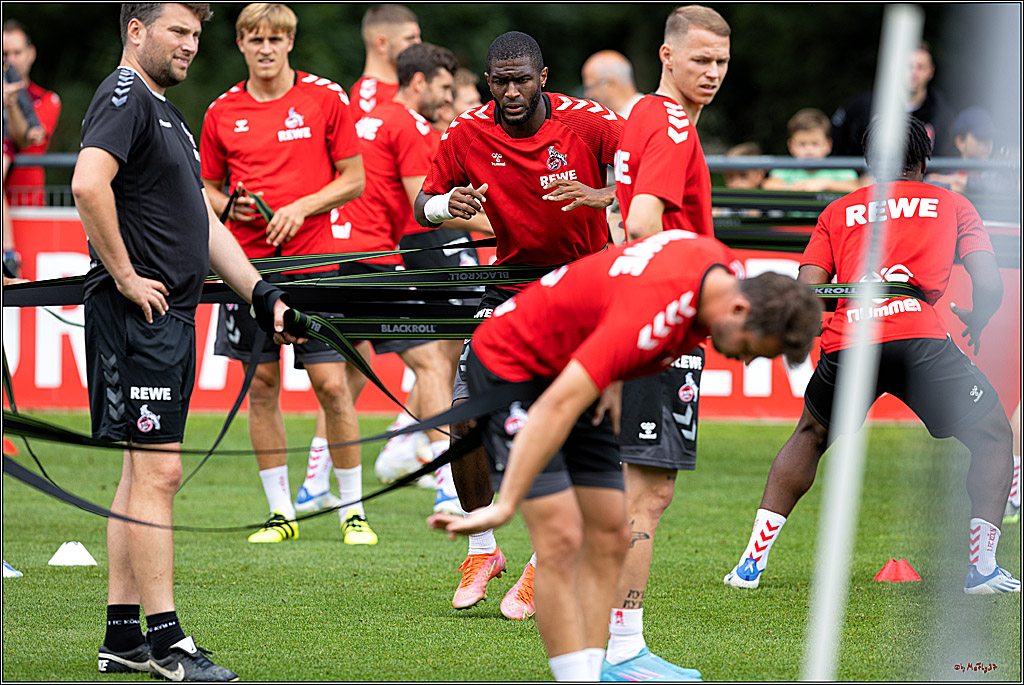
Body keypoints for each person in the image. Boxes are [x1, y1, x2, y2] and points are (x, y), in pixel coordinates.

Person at [429, 232, 822, 682]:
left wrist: (613, 377)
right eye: (753, 350)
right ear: (740, 311)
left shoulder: (718, 271)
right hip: (512, 362)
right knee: (559, 539)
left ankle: (615, 660)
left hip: (577, 362)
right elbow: (556, 405)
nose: (746, 363)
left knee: (612, 533)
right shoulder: (656, 312)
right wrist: (504, 504)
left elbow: (611, 291)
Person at [73, 4, 304, 680]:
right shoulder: (125, 93)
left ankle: (122, 635)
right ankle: (169, 640)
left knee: (139, 475)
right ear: (136, 31)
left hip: (170, 316)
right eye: (178, 31)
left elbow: (201, 225)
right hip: (139, 315)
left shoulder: (166, 112)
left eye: (198, 35)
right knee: (159, 472)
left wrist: (262, 292)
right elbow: (88, 183)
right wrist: (123, 274)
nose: (190, 45)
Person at [723, 116, 1021, 596]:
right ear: (924, 158)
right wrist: (979, 318)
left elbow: (808, 292)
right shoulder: (954, 204)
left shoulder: (838, 210)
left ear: (869, 162)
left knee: (810, 435)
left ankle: (748, 568)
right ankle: (982, 570)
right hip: (919, 335)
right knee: (993, 436)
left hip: (850, 337)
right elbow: (989, 284)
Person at [414, 30, 624, 620]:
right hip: (509, 285)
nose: (510, 91)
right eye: (499, 80)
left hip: (586, 282)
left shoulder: (591, 122)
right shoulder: (467, 131)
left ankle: (541, 561)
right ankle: (483, 549)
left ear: (543, 78)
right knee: (468, 414)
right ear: (487, 81)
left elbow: (652, 182)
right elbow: (422, 203)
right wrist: (444, 208)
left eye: (521, 80)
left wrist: (598, 193)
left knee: (564, 422)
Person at [198, 3, 375, 545]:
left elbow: (354, 179)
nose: (266, 48)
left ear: (291, 42)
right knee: (262, 385)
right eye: (256, 39)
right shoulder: (221, 111)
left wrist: (303, 207)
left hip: (317, 266)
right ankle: (281, 513)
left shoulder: (324, 97)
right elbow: (203, 186)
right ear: (241, 44)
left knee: (331, 387)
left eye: (276, 38)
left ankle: (352, 511)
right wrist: (230, 206)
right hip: (246, 270)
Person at [603, 6, 730, 680]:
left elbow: (620, 212)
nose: (710, 74)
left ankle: (607, 639)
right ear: (666, 55)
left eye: (720, 63)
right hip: (660, 332)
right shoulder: (673, 124)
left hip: (648, 328)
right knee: (646, 494)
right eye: (700, 60)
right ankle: (621, 651)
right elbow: (644, 220)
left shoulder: (646, 118)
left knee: (641, 490)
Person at [327, 41, 473, 518]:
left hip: (340, 255)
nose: (449, 99)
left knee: (345, 377)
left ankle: (313, 483)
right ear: (418, 83)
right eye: (444, 88)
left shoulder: (375, 116)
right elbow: (428, 210)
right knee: (432, 364)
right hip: (371, 262)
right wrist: (509, 224)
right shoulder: (410, 125)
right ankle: (448, 480)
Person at [831, 41, 955, 158]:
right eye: (908, 66)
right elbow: (838, 145)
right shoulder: (865, 106)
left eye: (920, 67)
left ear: (931, 71)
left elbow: (949, 155)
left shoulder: (941, 112)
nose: (914, 73)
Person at [2, 20, 61, 207]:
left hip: (28, 205)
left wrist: (10, 103)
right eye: (4, 54)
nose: (10, 60)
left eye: (17, 53)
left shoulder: (47, 99)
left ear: (31, 54)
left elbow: (23, 140)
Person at [761, 108, 862, 193]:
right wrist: (792, 187)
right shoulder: (787, 168)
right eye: (802, 144)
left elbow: (856, 188)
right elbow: (768, 184)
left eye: (815, 144)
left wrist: (825, 184)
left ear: (828, 145)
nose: (809, 149)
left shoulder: (838, 168)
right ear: (791, 146)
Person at [350, 4, 421, 121]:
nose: (419, 45)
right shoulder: (368, 97)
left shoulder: (414, 87)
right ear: (381, 44)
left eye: (418, 37)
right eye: (410, 39)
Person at [925, 106, 1016, 197]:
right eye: (981, 137)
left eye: (991, 138)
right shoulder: (943, 176)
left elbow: (1006, 186)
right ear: (960, 142)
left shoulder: (998, 175)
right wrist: (951, 186)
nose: (988, 143)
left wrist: (961, 182)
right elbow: (929, 183)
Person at [582, 50, 643, 118]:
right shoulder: (646, 110)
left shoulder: (644, 115)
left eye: (591, 87)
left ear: (610, 85)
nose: (588, 94)